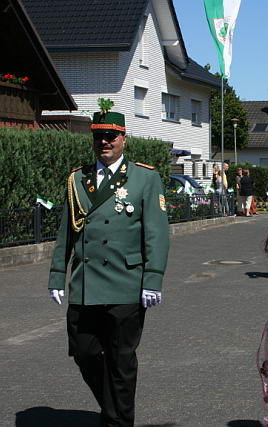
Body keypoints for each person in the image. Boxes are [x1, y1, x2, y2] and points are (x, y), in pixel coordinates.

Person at [48, 104, 170, 427]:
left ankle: (118, 421)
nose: (104, 142)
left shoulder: (145, 178)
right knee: (84, 351)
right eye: (99, 136)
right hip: (86, 284)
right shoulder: (78, 179)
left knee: (121, 360)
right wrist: (57, 274)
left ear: (123, 139)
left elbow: (156, 234)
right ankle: (114, 408)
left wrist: (153, 278)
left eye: (111, 136)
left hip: (126, 283)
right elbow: (66, 231)